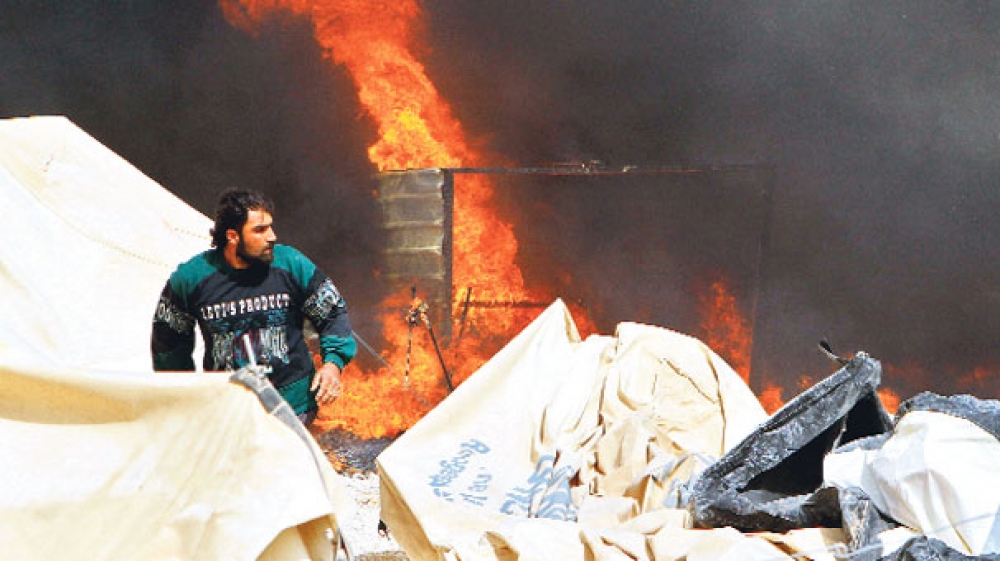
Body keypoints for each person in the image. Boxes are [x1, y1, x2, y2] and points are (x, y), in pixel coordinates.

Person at [151, 188, 356, 426]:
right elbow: (168, 344)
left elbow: (332, 312)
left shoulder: (291, 263)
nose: (272, 236)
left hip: (293, 406)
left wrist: (333, 364)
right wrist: (186, 398)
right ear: (232, 236)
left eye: (270, 226)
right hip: (229, 410)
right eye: (260, 230)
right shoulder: (191, 278)